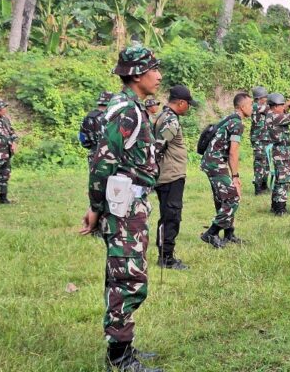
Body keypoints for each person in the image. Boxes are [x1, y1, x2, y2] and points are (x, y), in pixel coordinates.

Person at [79, 45, 164, 372]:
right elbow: (102, 163)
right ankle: (120, 357)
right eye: (154, 70)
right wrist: (95, 207)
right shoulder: (125, 111)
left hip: (131, 204)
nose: (158, 76)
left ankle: (123, 346)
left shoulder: (130, 107)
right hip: (123, 208)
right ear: (138, 74)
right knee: (127, 278)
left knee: (126, 274)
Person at [199, 92, 253, 248]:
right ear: (242, 107)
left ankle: (229, 235)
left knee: (223, 198)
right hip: (215, 163)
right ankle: (211, 233)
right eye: (250, 105)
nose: (252, 108)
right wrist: (235, 176)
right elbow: (233, 152)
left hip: (211, 161)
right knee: (232, 197)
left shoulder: (229, 118)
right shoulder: (237, 124)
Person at [153, 85, 196, 270]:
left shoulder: (163, 116)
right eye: (188, 104)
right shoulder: (171, 121)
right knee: (171, 216)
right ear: (181, 103)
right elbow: (158, 146)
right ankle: (166, 258)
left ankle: (164, 254)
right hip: (171, 176)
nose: (189, 108)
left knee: (167, 216)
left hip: (167, 175)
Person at [80, 91, 114, 167]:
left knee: (95, 178)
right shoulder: (112, 117)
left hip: (93, 155)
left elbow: (82, 137)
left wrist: (91, 147)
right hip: (110, 156)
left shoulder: (88, 117)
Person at [0, 97, 17, 205]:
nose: (5, 109)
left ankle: (3, 198)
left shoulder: (5, 119)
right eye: (3, 107)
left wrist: (14, 142)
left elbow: (12, 132)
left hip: (6, 153)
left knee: (4, 176)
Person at [250, 86, 271, 195]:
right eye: (264, 97)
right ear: (259, 98)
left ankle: (264, 184)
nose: (266, 99)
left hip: (266, 139)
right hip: (258, 140)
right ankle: (257, 187)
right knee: (259, 163)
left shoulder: (263, 107)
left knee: (267, 163)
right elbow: (270, 109)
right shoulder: (255, 106)